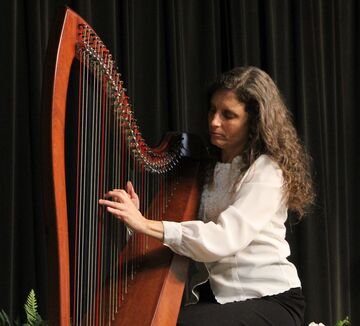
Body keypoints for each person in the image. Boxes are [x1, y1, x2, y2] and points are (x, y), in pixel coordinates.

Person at [99, 66, 315, 325]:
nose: (214, 122)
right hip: (220, 298)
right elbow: (186, 241)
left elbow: (224, 238)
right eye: (213, 110)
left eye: (228, 115)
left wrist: (145, 224)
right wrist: (138, 221)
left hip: (270, 299)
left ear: (254, 121)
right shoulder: (208, 170)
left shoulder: (267, 171)